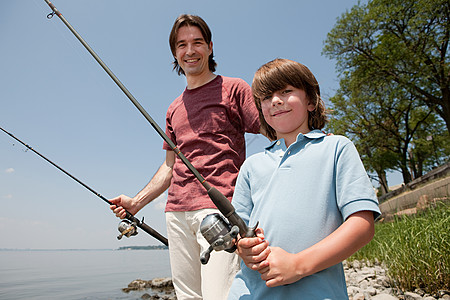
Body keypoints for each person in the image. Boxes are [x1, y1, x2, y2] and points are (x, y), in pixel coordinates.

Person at [110, 14, 262, 300]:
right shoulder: (173, 108)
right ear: (175, 53)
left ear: (210, 47)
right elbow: (170, 166)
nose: (189, 51)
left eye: (197, 42)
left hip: (221, 210)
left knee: (220, 295)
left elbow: (274, 131)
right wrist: (136, 202)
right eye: (182, 45)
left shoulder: (234, 89)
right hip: (176, 213)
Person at [227, 58, 381, 299]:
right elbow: (238, 232)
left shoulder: (337, 148)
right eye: (266, 98)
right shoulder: (250, 166)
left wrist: (297, 265)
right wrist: (244, 248)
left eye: (286, 91)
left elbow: (362, 225)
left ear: (310, 101)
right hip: (249, 293)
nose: (275, 101)